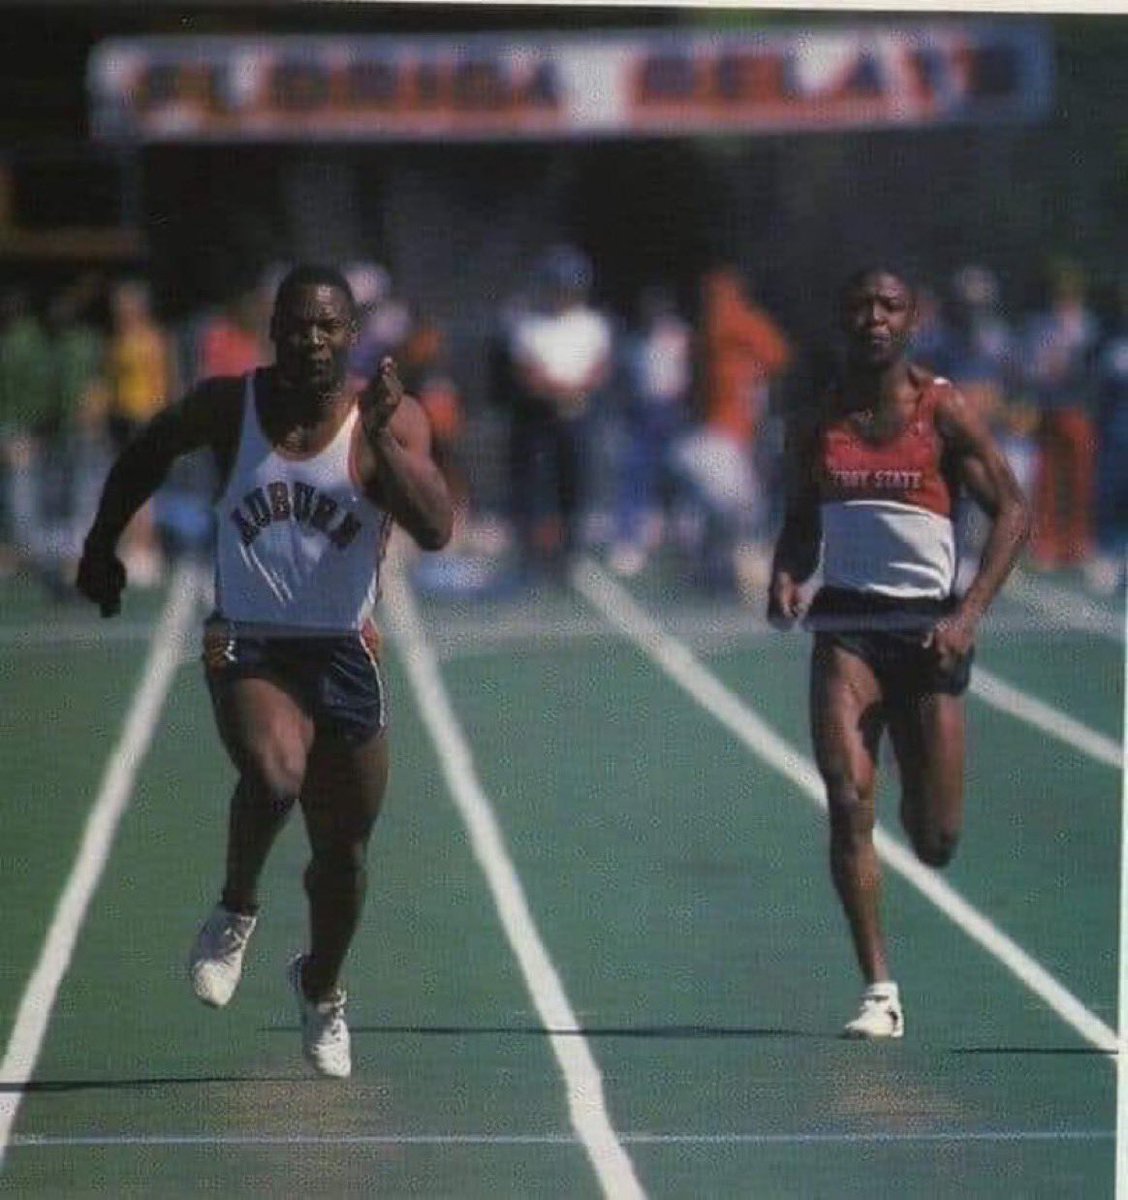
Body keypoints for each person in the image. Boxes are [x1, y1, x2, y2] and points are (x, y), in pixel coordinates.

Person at [76, 264, 454, 1077]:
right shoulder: (231, 405)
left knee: (343, 859)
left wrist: (383, 439)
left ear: (351, 337)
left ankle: (321, 987)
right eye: (295, 324)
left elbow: (437, 526)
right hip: (248, 636)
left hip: (344, 650)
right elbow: (150, 445)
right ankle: (236, 909)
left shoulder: (388, 418)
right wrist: (102, 542)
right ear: (271, 331)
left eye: (327, 326)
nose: (309, 339)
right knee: (275, 771)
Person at [767, 267, 1030, 1039]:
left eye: (889, 307)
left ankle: (922, 798)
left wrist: (969, 615)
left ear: (912, 321)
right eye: (859, 307)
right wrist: (787, 575)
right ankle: (879, 989)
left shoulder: (942, 413)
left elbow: (1013, 511)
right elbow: (798, 521)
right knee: (848, 801)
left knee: (935, 840)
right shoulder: (817, 420)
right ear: (841, 321)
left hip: (927, 633)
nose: (873, 319)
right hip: (844, 630)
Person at [506, 244, 612, 578]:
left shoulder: (592, 325)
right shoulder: (529, 324)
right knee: (537, 485)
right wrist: (558, 391)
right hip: (541, 417)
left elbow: (599, 367)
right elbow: (527, 372)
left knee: (574, 484)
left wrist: (578, 390)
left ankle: (570, 553)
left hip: (577, 416)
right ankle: (534, 553)